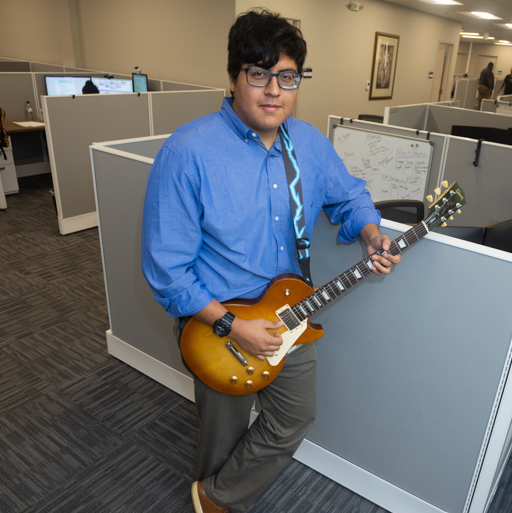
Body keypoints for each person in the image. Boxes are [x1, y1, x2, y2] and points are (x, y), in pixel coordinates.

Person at [140, 9, 400, 513]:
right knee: (223, 438)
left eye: (287, 77)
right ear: (235, 77)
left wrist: (369, 231)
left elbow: (349, 196)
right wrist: (234, 326)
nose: (274, 90)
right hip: (218, 323)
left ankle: (214, 499)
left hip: (291, 315)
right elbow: (168, 272)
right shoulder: (188, 152)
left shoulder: (308, 144)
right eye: (258, 74)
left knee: (294, 418)